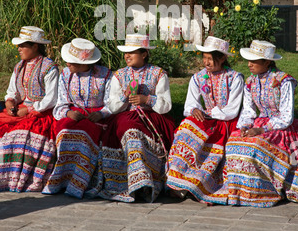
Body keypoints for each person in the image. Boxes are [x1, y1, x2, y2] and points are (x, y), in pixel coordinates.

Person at [86, 33, 176, 203]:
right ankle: (132, 183)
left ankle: (146, 182)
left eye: (132, 52)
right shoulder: (119, 75)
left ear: (144, 54)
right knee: (129, 130)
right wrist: (123, 97)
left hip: (151, 116)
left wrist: (147, 99)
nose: (127, 55)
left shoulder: (158, 74)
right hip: (126, 116)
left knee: (135, 131)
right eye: (126, 52)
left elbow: (166, 105)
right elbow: (112, 106)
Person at [166, 36, 244, 204]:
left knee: (206, 139)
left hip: (226, 121)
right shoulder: (198, 78)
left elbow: (232, 109)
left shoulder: (235, 78)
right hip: (206, 119)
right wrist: (195, 110)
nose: (206, 62)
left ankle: (201, 184)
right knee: (185, 128)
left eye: (211, 58)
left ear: (222, 58)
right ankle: (179, 182)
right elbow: (190, 104)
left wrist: (211, 113)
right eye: (204, 58)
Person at [225, 40, 298, 207]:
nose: (249, 64)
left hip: (279, 126)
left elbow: (286, 116)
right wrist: (244, 126)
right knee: (233, 142)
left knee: (256, 144)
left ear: (267, 62)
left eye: (254, 61)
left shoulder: (284, 81)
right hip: (258, 123)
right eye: (249, 60)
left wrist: (261, 129)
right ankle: (242, 191)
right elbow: (248, 110)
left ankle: (265, 190)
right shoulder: (251, 82)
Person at [43, 38, 112, 198]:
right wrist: (68, 113)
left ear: (85, 63)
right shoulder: (65, 75)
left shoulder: (105, 75)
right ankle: (61, 179)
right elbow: (61, 102)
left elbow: (111, 103)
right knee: (65, 131)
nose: (67, 64)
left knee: (85, 136)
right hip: (73, 113)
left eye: (71, 62)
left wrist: (101, 113)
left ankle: (79, 182)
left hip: (97, 116)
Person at [0, 26, 59, 192]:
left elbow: (51, 98)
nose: (19, 49)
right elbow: (13, 91)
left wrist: (31, 109)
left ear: (35, 46)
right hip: (19, 111)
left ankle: (13, 180)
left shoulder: (49, 67)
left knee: (17, 138)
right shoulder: (19, 66)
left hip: (41, 113)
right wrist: (10, 102)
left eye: (23, 45)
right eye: (19, 45)